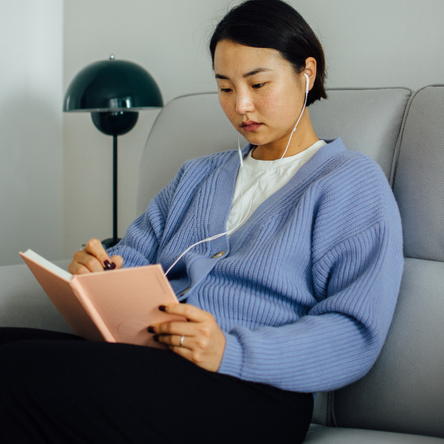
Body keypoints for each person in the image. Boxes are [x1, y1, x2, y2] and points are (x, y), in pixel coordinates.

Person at [0, 1, 404, 443]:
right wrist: (102, 272)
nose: (241, 105)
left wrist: (230, 350)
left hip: (253, 390)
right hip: (149, 361)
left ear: (306, 73)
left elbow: (353, 332)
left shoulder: (351, 182)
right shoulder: (197, 175)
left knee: (17, 374)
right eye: (226, 88)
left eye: (258, 83)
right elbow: (133, 256)